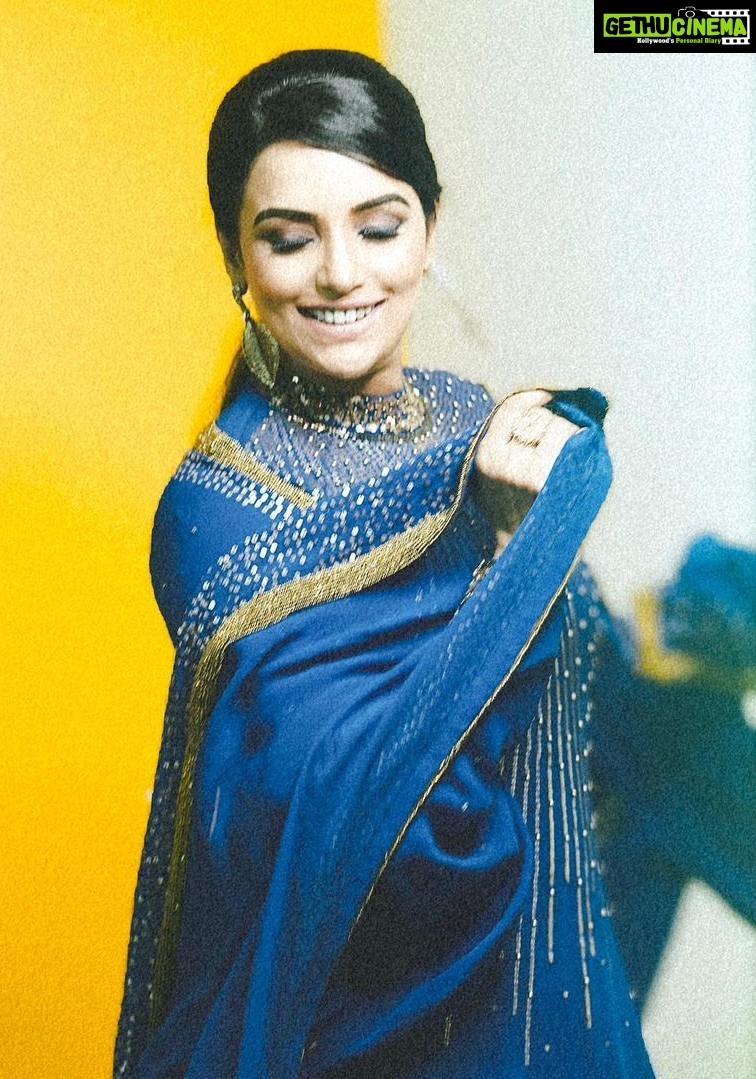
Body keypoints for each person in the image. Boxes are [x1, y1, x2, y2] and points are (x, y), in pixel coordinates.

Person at [115, 50, 657, 1077]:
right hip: (359, 1040)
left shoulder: (473, 422)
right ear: (235, 253)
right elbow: (392, 845)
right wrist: (517, 557)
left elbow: (594, 729)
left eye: (378, 226)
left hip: (525, 1013)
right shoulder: (220, 511)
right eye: (289, 238)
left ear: (429, 228)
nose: (341, 274)